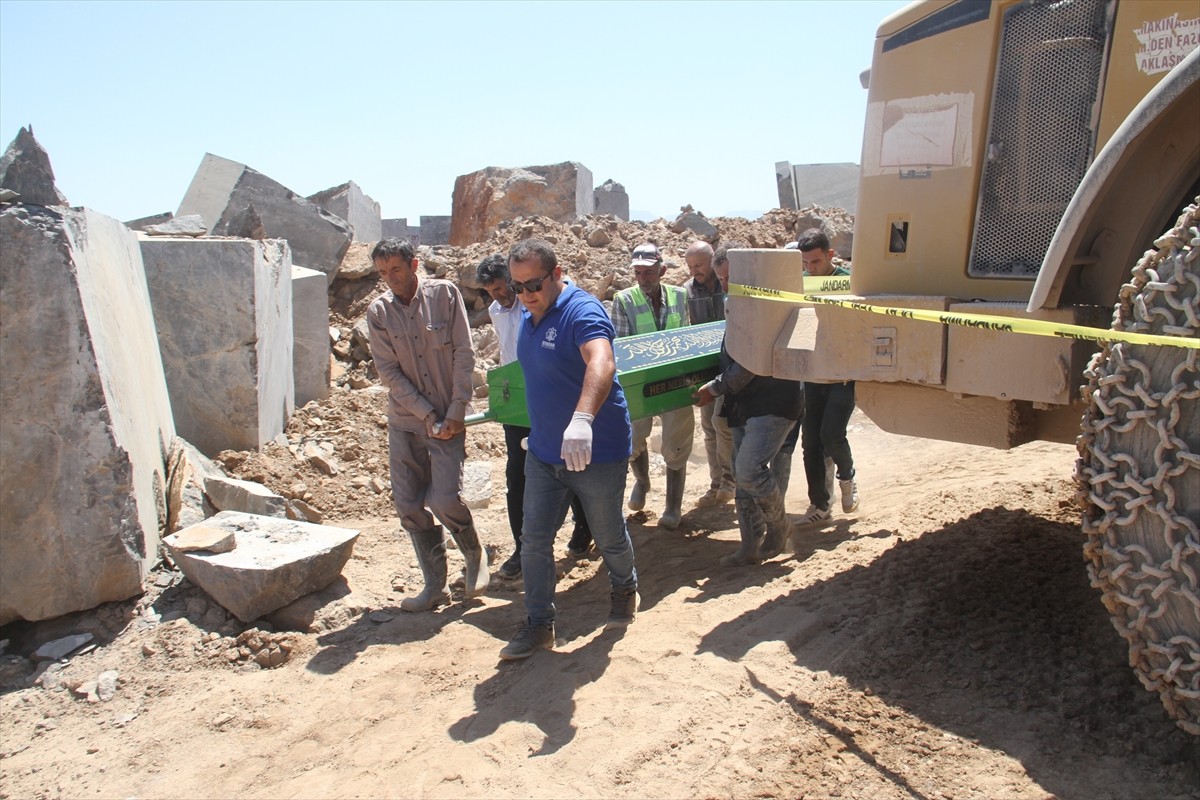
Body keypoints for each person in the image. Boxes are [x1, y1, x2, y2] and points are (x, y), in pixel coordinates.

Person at [499, 239, 639, 660]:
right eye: (517, 286)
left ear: (557, 274)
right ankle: (539, 623)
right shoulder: (529, 315)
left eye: (534, 284)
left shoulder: (582, 311)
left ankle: (625, 587)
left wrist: (581, 420)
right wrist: (538, 429)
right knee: (534, 539)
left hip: (595, 450)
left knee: (607, 533)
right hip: (545, 453)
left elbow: (601, 361)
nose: (525, 294)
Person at [367, 238, 489, 612]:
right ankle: (435, 586)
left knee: (443, 499)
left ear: (414, 265)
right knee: (408, 504)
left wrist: (456, 409)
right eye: (383, 272)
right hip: (406, 421)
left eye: (396, 269)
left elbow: (464, 353)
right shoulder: (379, 312)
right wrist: (425, 413)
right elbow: (388, 372)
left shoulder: (445, 295)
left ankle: (474, 554)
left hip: (449, 419)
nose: (390, 278)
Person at [475, 254, 593, 580]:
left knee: (567, 465)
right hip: (517, 400)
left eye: (502, 287)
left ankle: (584, 528)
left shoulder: (537, 304)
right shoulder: (496, 312)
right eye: (491, 291)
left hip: (549, 395)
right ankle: (522, 548)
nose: (499, 295)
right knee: (517, 476)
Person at [693, 241, 801, 565]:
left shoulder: (763, 304)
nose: (725, 285)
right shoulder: (737, 304)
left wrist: (715, 388)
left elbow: (752, 361)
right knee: (744, 478)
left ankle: (779, 527)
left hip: (774, 400)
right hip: (744, 404)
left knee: (750, 471)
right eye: (721, 279)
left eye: (730, 278)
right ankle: (750, 546)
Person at [610, 243, 694, 529]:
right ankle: (643, 482)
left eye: (648, 272)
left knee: (677, 442)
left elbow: (686, 336)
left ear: (662, 270)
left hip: (675, 379)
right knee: (633, 438)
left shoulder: (679, 296)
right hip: (639, 381)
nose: (642, 278)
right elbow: (622, 346)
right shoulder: (624, 300)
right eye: (638, 272)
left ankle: (672, 506)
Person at [794, 227, 859, 524]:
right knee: (810, 444)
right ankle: (820, 504)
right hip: (812, 374)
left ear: (830, 254)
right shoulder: (800, 284)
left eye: (816, 261)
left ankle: (848, 479)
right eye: (805, 263)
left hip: (843, 374)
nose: (811, 268)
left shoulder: (849, 282)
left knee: (831, 435)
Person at [684, 240, 734, 508]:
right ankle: (717, 483)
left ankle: (730, 480)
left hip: (733, 365)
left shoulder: (730, 284)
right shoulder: (688, 291)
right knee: (709, 426)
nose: (695, 272)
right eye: (690, 267)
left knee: (724, 424)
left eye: (699, 265)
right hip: (705, 370)